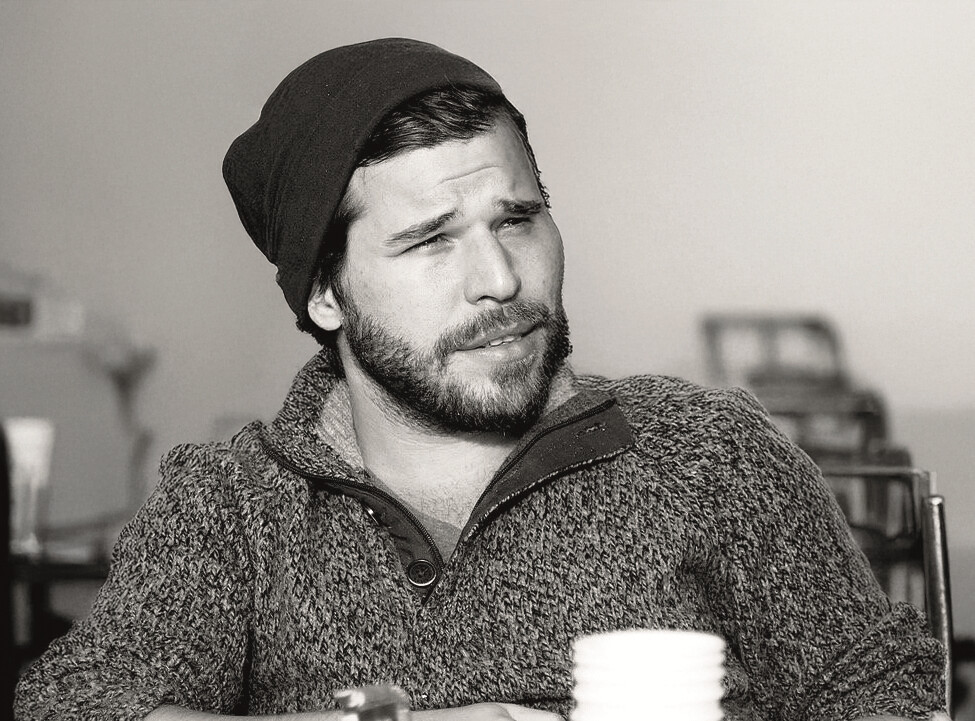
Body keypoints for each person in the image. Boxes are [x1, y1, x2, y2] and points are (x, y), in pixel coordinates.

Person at [14, 38, 945, 721]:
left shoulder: (708, 452)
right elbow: (78, 702)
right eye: (430, 241)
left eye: (517, 218)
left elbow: (884, 691)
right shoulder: (231, 502)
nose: (499, 278)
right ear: (327, 294)